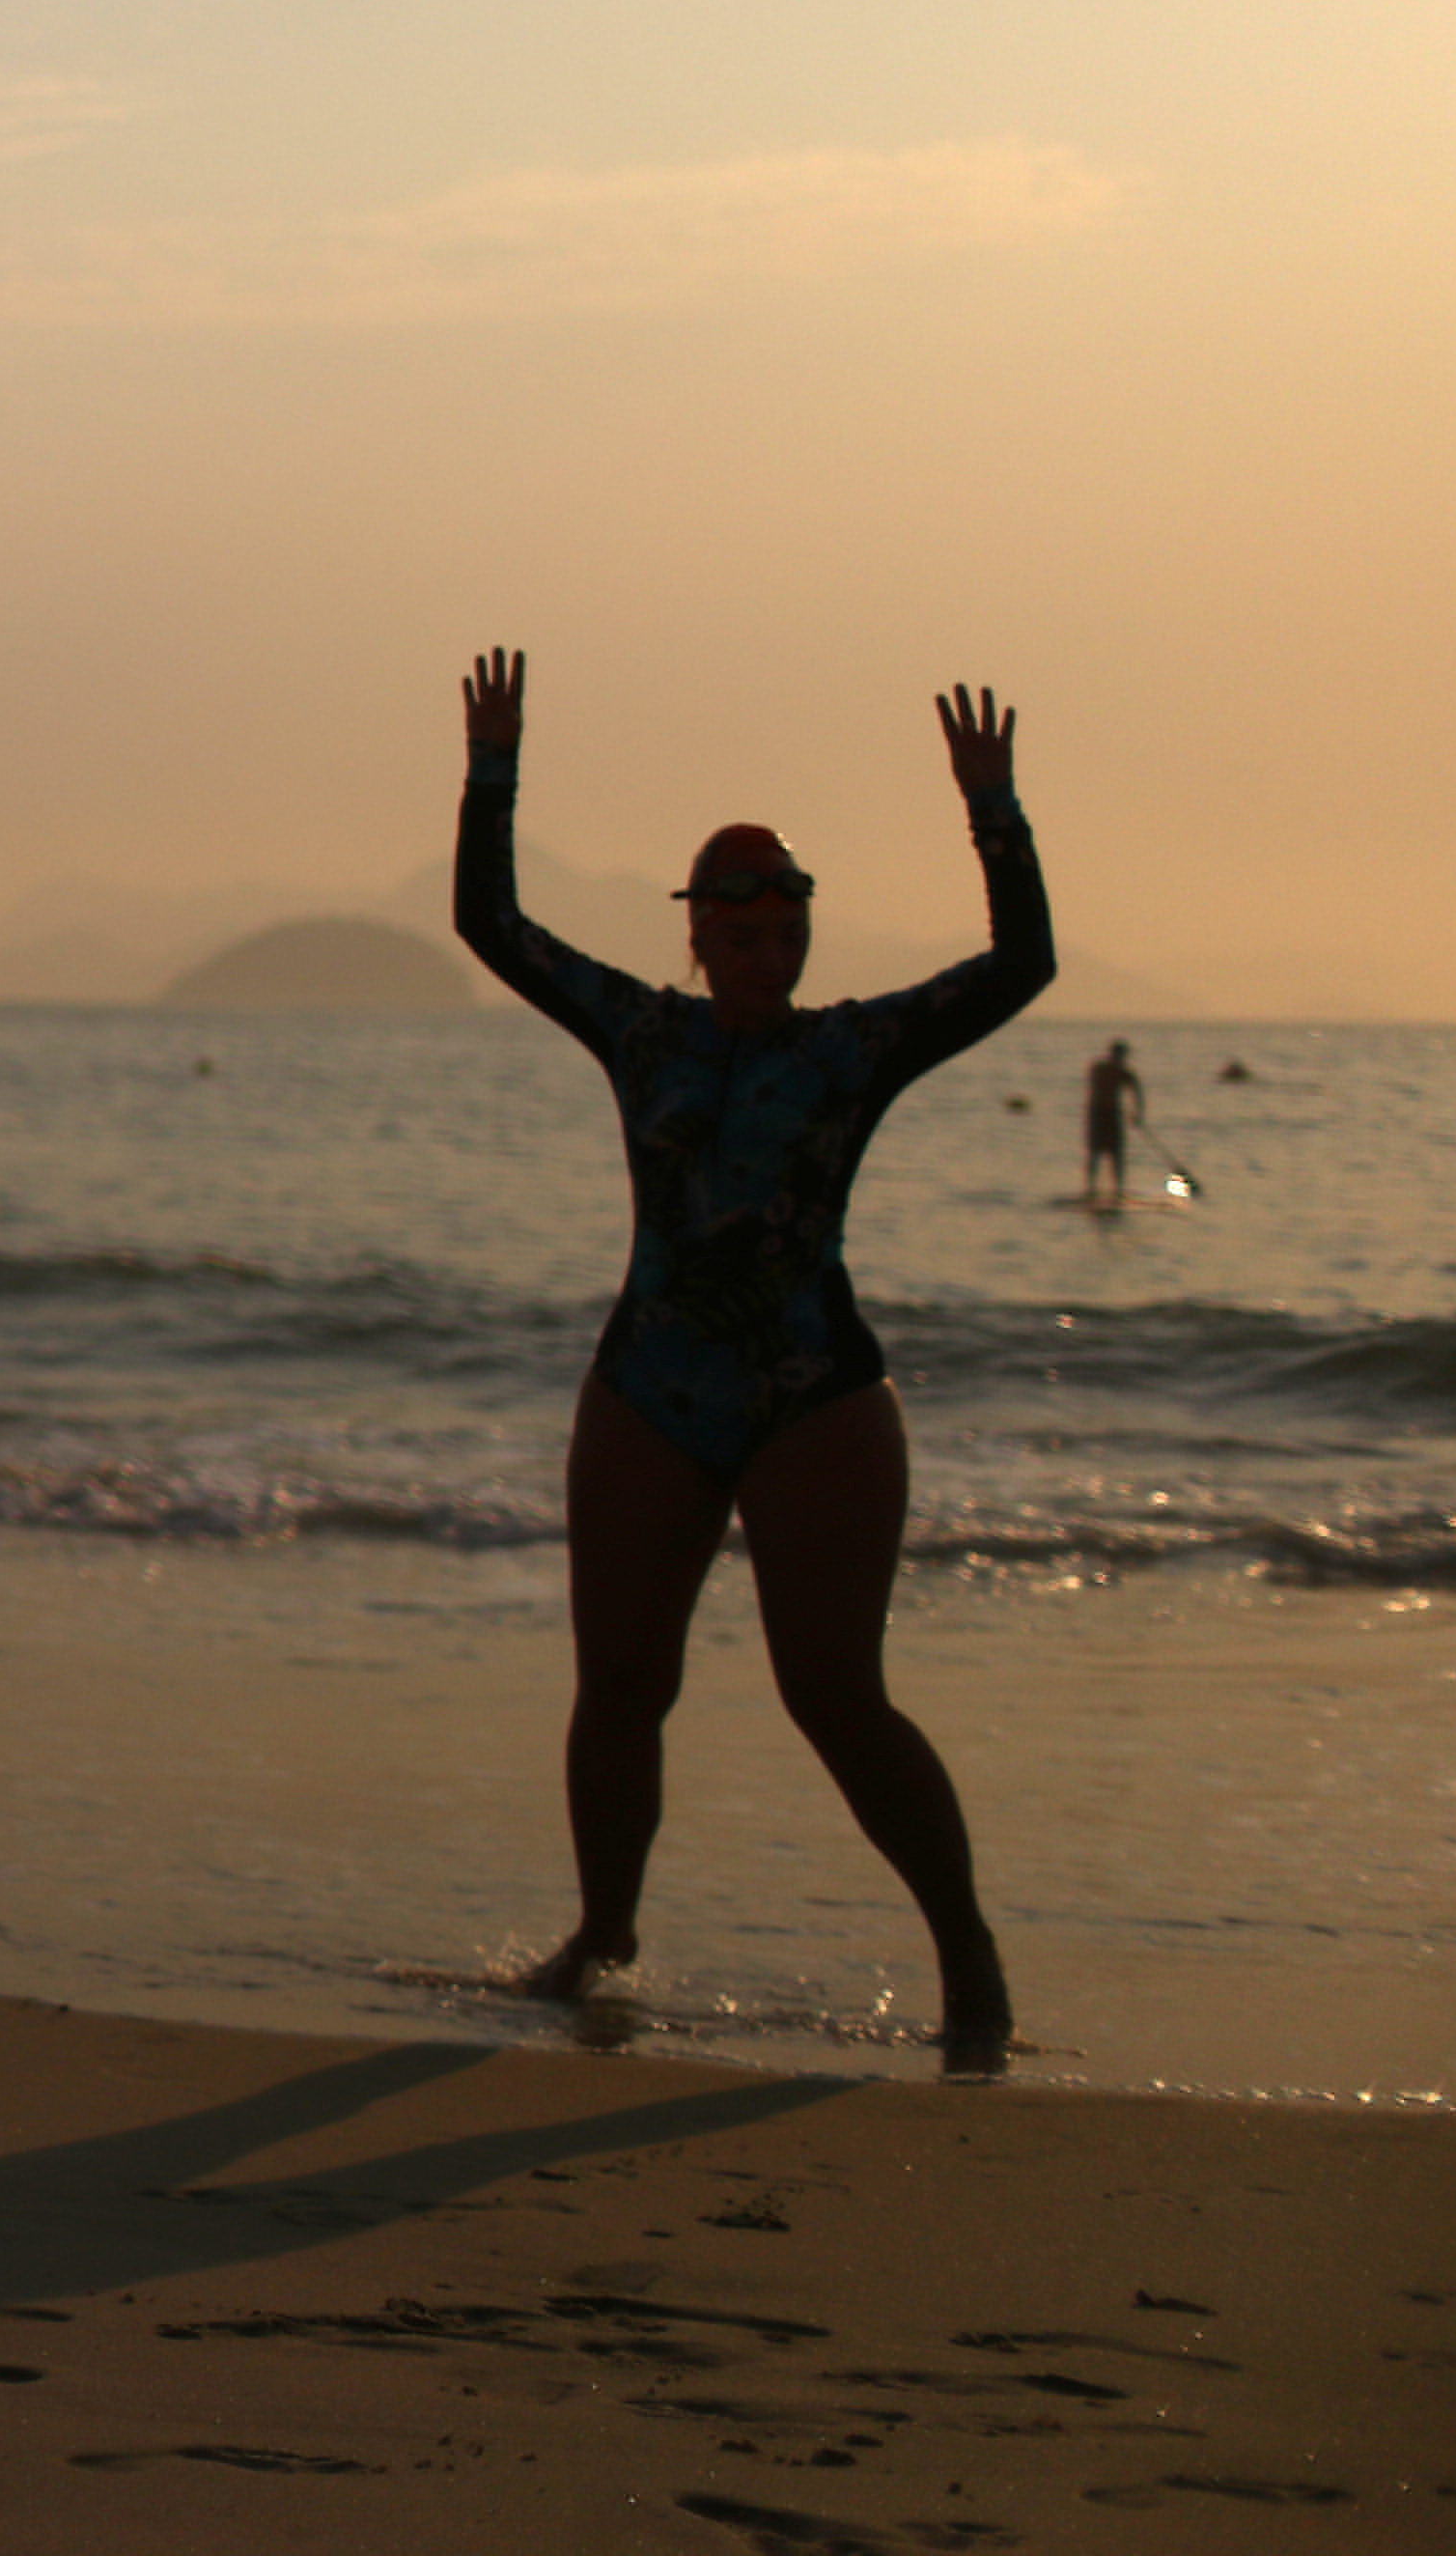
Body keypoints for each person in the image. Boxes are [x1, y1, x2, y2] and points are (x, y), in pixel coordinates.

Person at [451, 647, 1050, 2070]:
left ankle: (969, 1958)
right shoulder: (639, 1031)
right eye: (740, 914)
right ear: (700, 934)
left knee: (834, 1692)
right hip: (650, 1389)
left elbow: (1020, 969)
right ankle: (603, 1939)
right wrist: (493, 770)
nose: (765, 936)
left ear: (798, 940)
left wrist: (995, 813)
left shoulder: (851, 1053)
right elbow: (492, 925)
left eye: (786, 916)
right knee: (620, 1684)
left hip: (814, 1400)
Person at [1079, 1039, 1148, 1211]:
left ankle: (1116, 1191)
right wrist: (1137, 1112)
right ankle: (1091, 1189)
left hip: (1109, 1115)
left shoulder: (1120, 1072)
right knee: (1095, 1153)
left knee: (1115, 1154)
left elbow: (1137, 1092)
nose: (1122, 1059)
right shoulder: (1100, 1068)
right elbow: (1135, 1090)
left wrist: (1137, 1113)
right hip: (1098, 1115)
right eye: (1120, 1055)